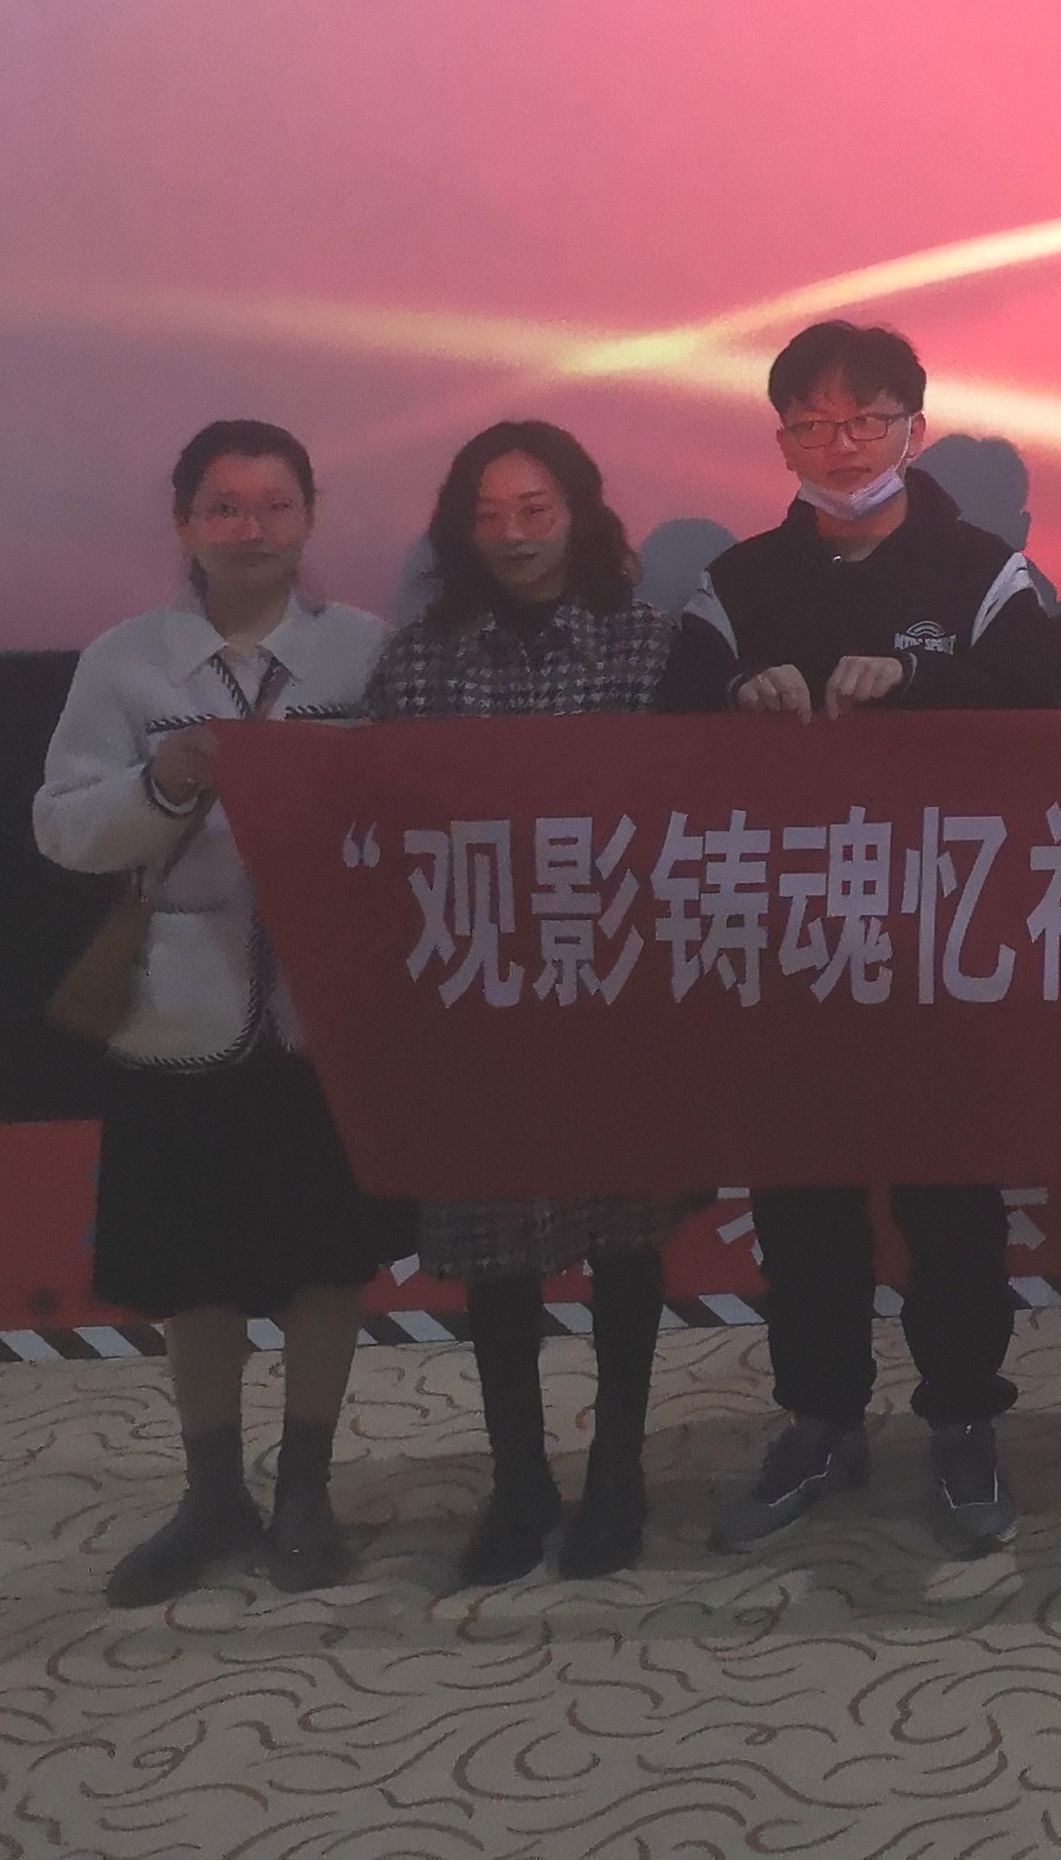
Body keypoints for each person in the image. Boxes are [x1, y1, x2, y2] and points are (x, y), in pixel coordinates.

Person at [661, 320, 1061, 1562]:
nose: (840, 446)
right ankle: (820, 1420)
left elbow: (1046, 703)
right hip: (788, 948)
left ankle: (963, 1423)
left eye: (866, 420)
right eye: (812, 424)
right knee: (801, 1206)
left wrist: (916, 684)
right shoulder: (736, 584)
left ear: (913, 429)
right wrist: (735, 696)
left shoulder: (985, 573)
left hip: (948, 946)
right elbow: (664, 717)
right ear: (782, 440)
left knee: (953, 1208)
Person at [34, 420, 391, 1605]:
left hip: (325, 1012)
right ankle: (211, 1492)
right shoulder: (125, 663)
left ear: (310, 516)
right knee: (194, 1271)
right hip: (179, 1010)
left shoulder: (363, 653)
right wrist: (162, 780)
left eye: (275, 505)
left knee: (327, 1261)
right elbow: (62, 828)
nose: (252, 529)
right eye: (225, 507)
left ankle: (306, 1490)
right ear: (185, 522)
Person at [358, 419, 679, 1584]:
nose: (513, 535)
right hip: (480, 999)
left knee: (626, 1246)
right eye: (488, 516)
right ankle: (519, 1478)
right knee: (496, 1259)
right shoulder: (420, 662)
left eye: (535, 509)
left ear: (579, 513)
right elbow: (382, 828)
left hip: (617, 997)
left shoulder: (652, 646)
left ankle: (618, 1473)